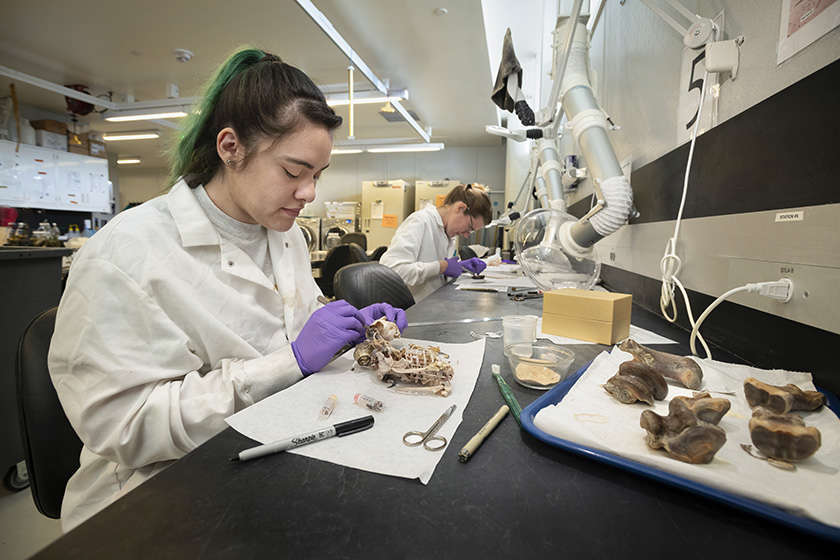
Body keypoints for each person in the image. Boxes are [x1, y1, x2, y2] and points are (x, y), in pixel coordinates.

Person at [48, 48, 406, 531]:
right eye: (293, 171)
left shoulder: (287, 236)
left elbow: (295, 320)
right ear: (230, 147)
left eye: (317, 176)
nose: (309, 194)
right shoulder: (127, 253)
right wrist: (290, 360)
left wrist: (353, 328)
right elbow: (127, 427)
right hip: (150, 501)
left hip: (267, 454)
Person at [380, 183, 492, 302]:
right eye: (469, 227)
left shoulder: (447, 232)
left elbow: (437, 271)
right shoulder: (420, 221)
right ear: (460, 208)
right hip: (411, 310)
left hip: (435, 303)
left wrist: (461, 266)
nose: (466, 234)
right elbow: (391, 271)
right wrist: (441, 267)